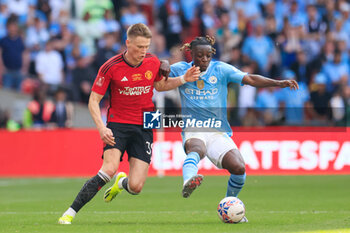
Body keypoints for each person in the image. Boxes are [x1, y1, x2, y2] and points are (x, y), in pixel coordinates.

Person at [58, 23, 200, 225]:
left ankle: (122, 183)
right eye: (139, 47)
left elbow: (159, 85)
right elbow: (93, 100)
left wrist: (183, 79)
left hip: (146, 123)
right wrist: (101, 127)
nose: (143, 51)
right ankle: (70, 213)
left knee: (136, 187)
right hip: (118, 123)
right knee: (108, 169)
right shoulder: (110, 67)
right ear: (128, 43)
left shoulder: (152, 62)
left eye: (147, 47)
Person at [169, 36, 298, 222]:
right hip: (194, 126)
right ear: (192, 55)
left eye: (207, 55)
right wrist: (163, 65)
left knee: (239, 168)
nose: (204, 59)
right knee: (197, 149)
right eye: (199, 56)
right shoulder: (180, 69)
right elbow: (156, 72)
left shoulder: (221, 69)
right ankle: (188, 180)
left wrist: (278, 83)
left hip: (218, 131)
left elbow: (250, 78)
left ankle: (230, 204)